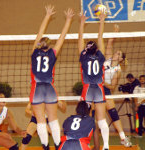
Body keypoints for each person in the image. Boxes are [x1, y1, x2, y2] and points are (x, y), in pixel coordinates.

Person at [30, 5, 74, 150]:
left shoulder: (34, 52)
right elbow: (62, 37)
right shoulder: (53, 53)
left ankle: (45, 147)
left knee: (41, 121)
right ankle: (57, 146)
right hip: (49, 88)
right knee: (53, 119)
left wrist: (47, 16)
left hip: (36, 89)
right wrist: (68, 20)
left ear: (39, 44)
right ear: (49, 46)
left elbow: (39, 33)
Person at [78, 11, 109, 150]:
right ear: (96, 49)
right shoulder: (100, 57)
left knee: (86, 117)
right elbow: (100, 37)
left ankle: (86, 143)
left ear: (86, 49)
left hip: (87, 89)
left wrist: (82, 23)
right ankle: (106, 146)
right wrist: (101, 20)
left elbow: (79, 39)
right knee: (101, 119)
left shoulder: (83, 57)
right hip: (98, 88)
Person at [102, 24, 132, 147]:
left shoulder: (118, 70)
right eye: (117, 52)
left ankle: (122, 138)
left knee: (113, 113)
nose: (116, 53)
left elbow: (113, 86)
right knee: (91, 113)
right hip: (95, 88)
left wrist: (104, 83)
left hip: (105, 88)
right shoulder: (108, 58)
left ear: (120, 59)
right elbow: (109, 43)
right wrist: (115, 31)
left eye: (119, 54)